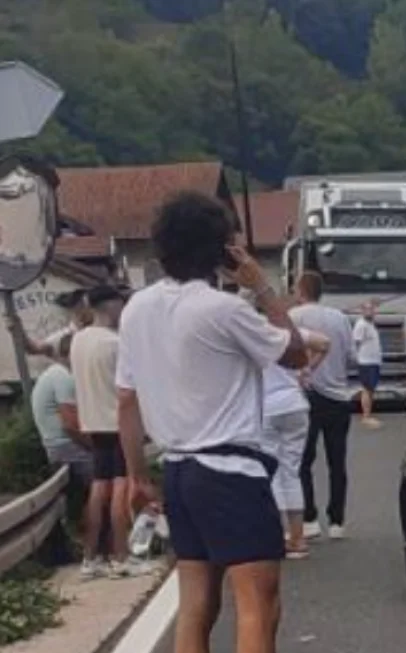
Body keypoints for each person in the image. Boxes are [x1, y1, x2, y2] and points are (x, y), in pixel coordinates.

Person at [116, 192, 308, 653]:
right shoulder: (224, 309)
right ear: (222, 249)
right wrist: (262, 287)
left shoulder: (136, 308)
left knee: (196, 605)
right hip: (230, 470)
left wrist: (137, 475)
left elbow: (126, 399)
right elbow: (296, 352)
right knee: (258, 604)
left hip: (178, 469)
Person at [72, 284, 141, 580]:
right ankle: (121, 556)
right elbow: (130, 390)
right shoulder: (116, 343)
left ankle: (90, 558)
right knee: (121, 487)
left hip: (92, 423)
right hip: (117, 423)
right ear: (111, 305)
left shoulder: (78, 340)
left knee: (98, 488)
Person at [290, 272, 356, 541]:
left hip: (307, 393)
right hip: (339, 395)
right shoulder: (340, 318)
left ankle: (310, 518)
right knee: (337, 461)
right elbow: (352, 357)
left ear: (301, 290)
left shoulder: (294, 317)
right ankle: (337, 521)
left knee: (304, 460)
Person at [260, 318, 330, 560]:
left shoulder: (254, 333)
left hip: (266, 407)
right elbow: (324, 343)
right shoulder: (288, 333)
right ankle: (298, 538)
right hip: (295, 403)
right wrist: (307, 369)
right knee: (291, 470)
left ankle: (277, 535)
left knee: (271, 471)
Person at [30, 334, 93, 526]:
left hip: (56, 446)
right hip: (67, 447)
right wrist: (95, 447)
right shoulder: (64, 377)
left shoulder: (54, 373)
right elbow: (70, 425)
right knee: (109, 479)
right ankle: (97, 532)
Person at [352, 301, 382, 429]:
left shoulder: (371, 325)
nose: (371, 311)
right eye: (368, 309)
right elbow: (356, 343)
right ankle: (366, 416)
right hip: (366, 362)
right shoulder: (361, 325)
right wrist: (355, 359)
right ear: (362, 311)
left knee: (371, 389)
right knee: (367, 388)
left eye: (373, 309)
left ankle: (369, 414)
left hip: (374, 361)